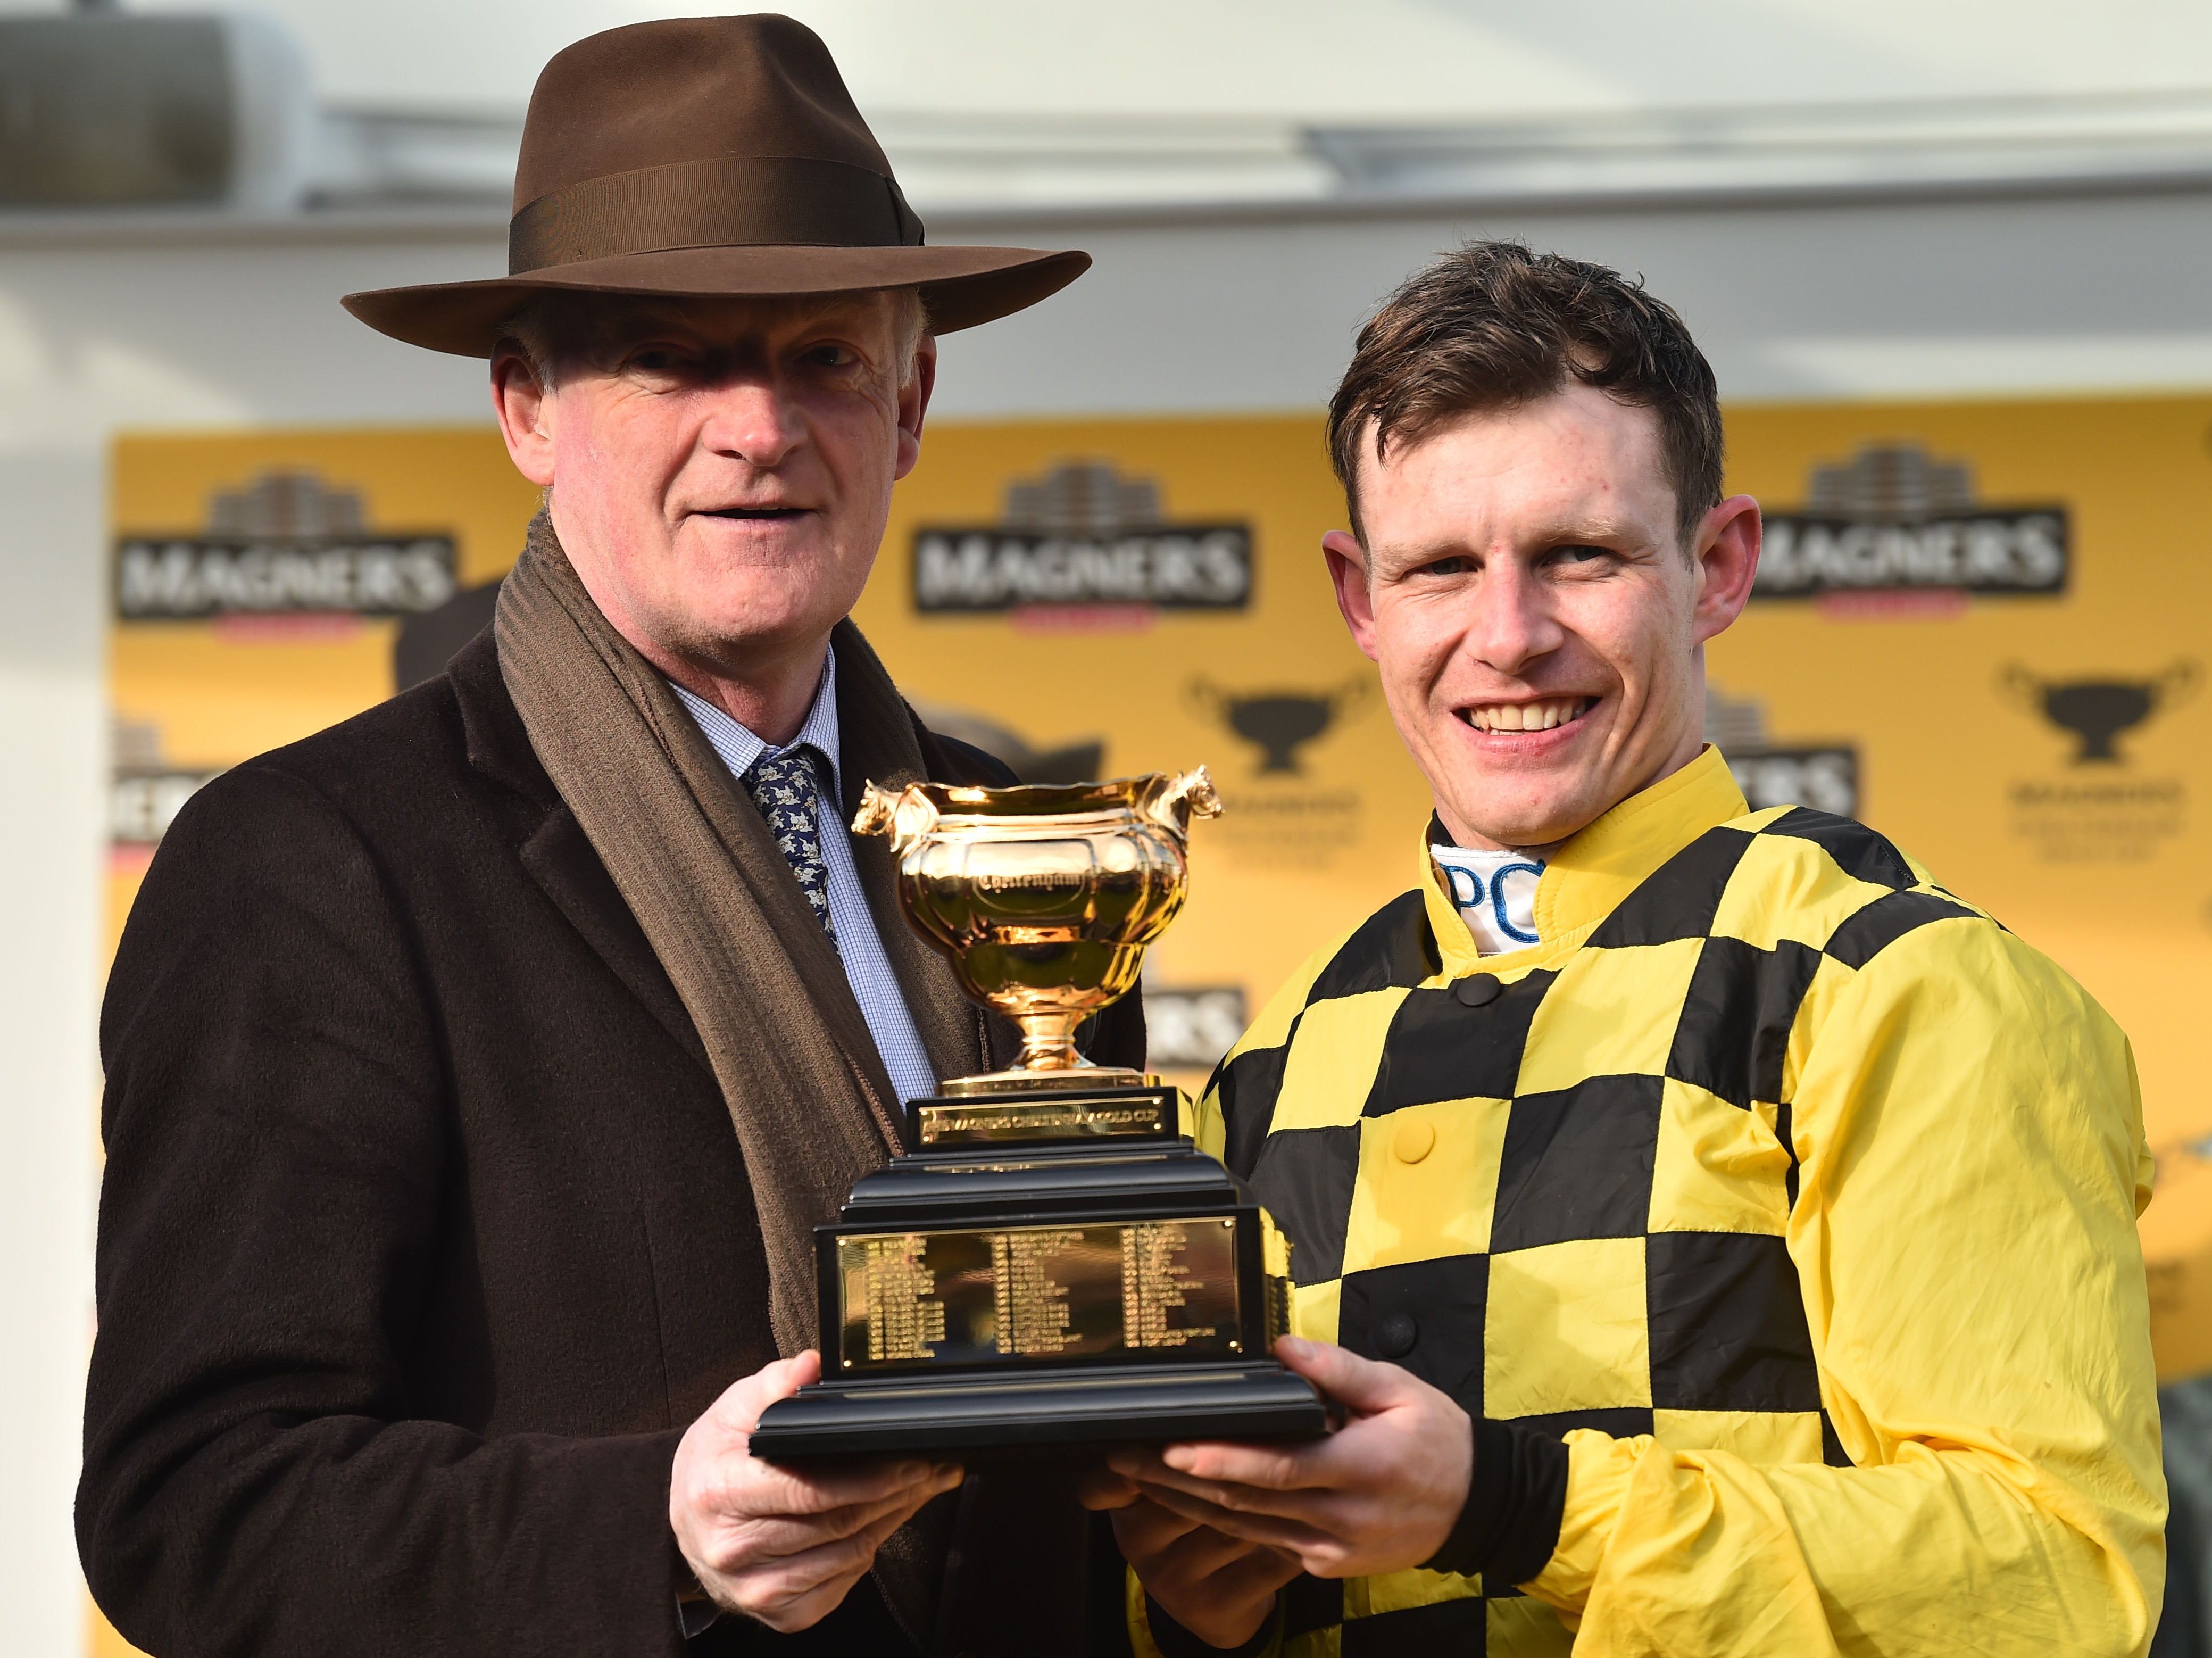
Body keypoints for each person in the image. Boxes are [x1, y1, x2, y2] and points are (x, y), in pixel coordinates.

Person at [78, 16, 1139, 1657]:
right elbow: (190, 1505)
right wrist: (655, 1531)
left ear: (911, 401)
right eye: (674, 355)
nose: (759, 426)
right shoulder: (310, 863)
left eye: (821, 358)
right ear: (526, 406)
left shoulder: (1030, 858)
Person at [1085, 243, 2167, 1655]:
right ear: (1361, 601)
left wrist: (1524, 1507)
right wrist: (1193, 1600)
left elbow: (2057, 1579)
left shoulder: (1896, 983)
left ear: (1716, 565)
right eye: (1440, 569)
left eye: (1576, 555)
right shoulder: (1276, 1054)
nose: (1508, 635)